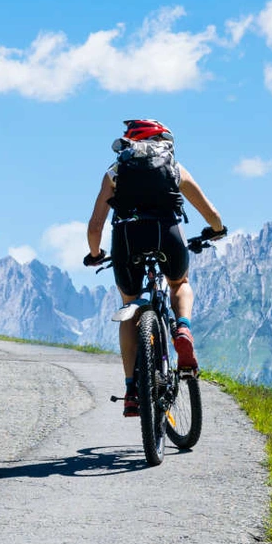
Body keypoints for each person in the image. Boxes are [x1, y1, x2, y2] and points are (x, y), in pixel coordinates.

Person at [84, 119, 226, 417]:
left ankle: (132, 389)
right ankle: (183, 329)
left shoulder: (115, 171)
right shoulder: (173, 166)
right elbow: (210, 212)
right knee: (179, 284)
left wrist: (95, 254)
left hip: (126, 238)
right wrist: (216, 230)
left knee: (130, 307)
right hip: (168, 235)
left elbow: (95, 224)